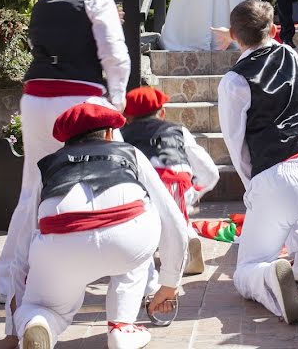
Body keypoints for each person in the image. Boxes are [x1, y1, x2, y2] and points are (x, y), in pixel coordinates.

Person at [0, 0, 130, 349]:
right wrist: (116, 102)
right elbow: (115, 56)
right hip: (82, 98)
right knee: (113, 177)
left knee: (33, 189)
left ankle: (9, 281)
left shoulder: (41, 5)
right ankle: (137, 271)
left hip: (35, 98)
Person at [14, 100, 187, 349]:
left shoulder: (47, 166)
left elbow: (25, 233)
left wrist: (17, 294)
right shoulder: (131, 153)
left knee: (43, 306)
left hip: (60, 246)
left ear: (66, 140)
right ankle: (121, 328)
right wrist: (169, 283)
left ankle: (38, 322)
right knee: (139, 231)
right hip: (127, 242)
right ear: (109, 133)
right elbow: (173, 220)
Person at [217, 0, 298, 323]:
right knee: (288, 203)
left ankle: (271, 280)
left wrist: (253, 189)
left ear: (232, 35)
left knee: (245, 271)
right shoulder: (291, 55)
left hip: (282, 179)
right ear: (274, 30)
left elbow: (235, 143)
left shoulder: (234, 81)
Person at [120, 86, 219, 275]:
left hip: (147, 191)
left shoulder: (122, 136)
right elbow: (210, 172)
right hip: (180, 187)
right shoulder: (178, 130)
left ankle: (151, 274)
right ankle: (188, 236)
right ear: (162, 113)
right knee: (176, 215)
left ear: (128, 117)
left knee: (147, 229)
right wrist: (194, 192)